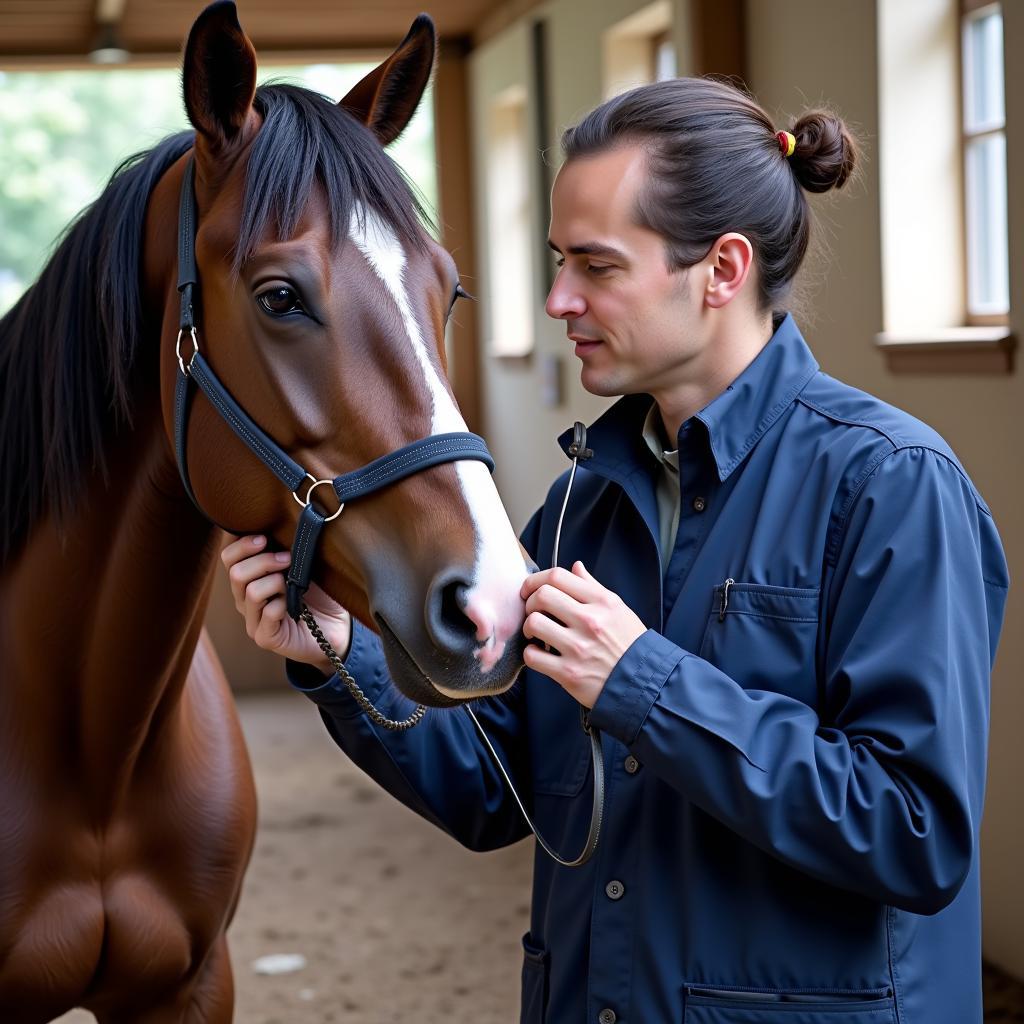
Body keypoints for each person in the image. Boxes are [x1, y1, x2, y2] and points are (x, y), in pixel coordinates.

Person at [222, 76, 1009, 1024]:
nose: (558, 299)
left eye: (596, 267)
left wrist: (641, 681)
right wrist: (343, 660)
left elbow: (912, 834)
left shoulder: (891, 483)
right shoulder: (578, 504)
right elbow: (497, 793)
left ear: (721, 269)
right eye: (559, 261)